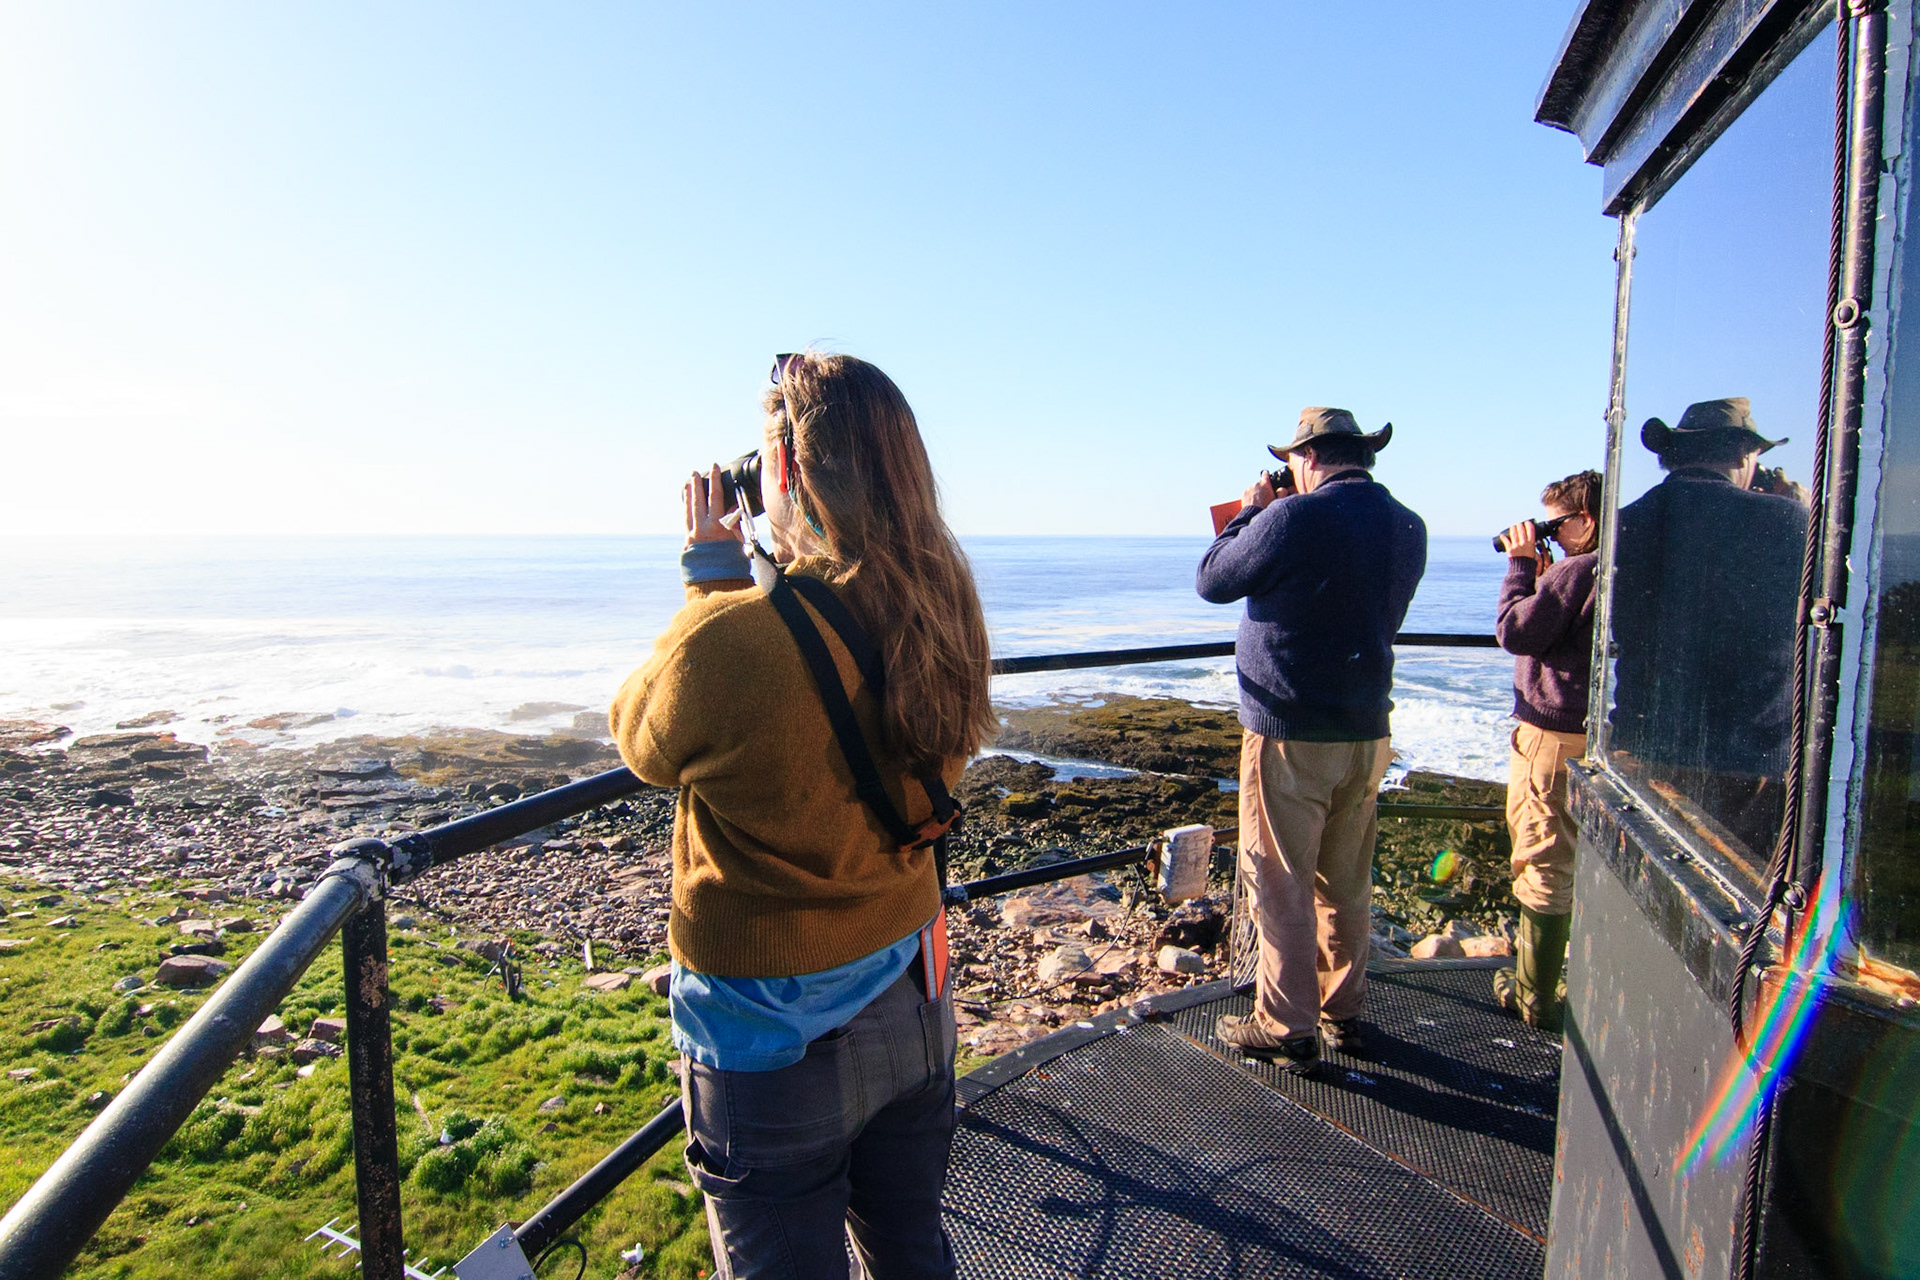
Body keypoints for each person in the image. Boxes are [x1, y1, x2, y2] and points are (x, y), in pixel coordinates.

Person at [609, 352, 994, 1279]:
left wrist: (709, 577)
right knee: (909, 1248)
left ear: (785, 473)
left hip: (765, 1041)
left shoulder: (730, 640)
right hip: (911, 999)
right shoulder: (948, 611)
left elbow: (641, 737)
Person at [1196, 407, 1428, 1075]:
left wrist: (1251, 511)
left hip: (1291, 730)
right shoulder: (1407, 523)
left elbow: (1213, 579)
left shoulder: (1291, 519)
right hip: (1365, 729)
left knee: (1280, 879)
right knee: (1346, 881)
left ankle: (1285, 1024)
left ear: (1307, 458)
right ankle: (1342, 1013)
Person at [1610, 397, 1806, 864]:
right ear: (1743, 454)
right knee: (1741, 891)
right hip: (1749, 758)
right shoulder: (1787, 521)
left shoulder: (1628, 521)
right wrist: (1798, 512)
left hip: (1644, 742)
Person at [1492, 468, 1602, 1032]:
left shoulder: (1579, 570)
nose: (1552, 536)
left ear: (1586, 520)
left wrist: (1520, 570)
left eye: (1558, 525)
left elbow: (1515, 632)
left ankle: (1534, 994)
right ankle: (1573, 979)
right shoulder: (1615, 567)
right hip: (1603, 734)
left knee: (1544, 860)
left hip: (1555, 738)